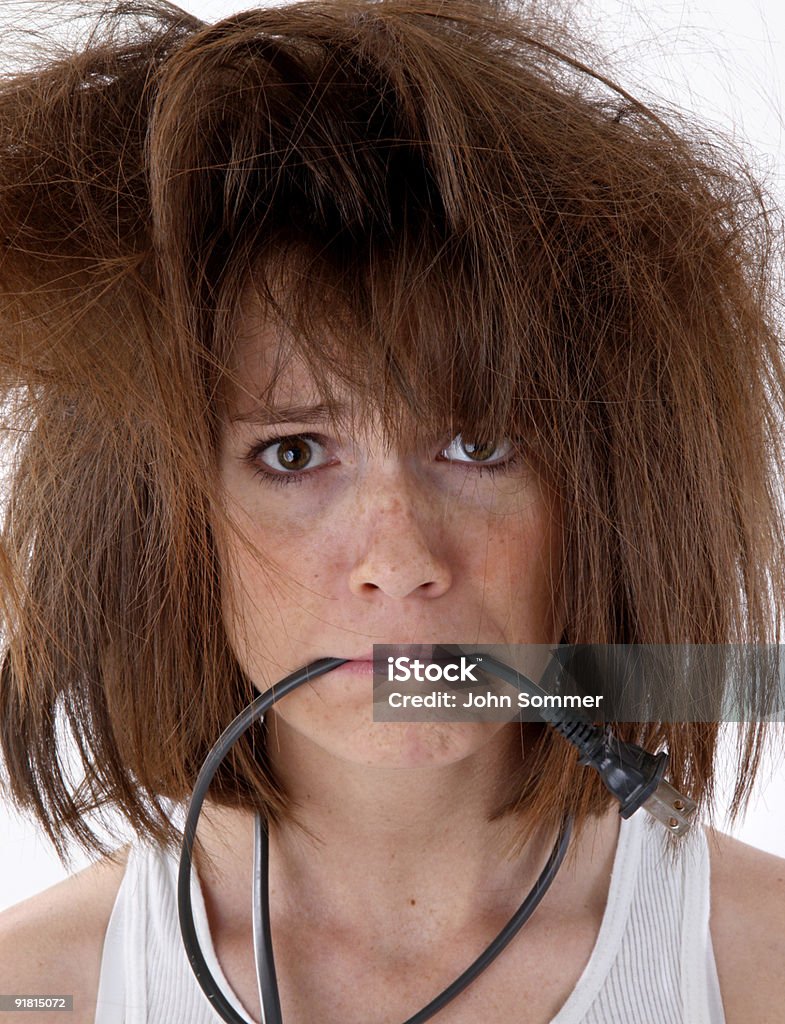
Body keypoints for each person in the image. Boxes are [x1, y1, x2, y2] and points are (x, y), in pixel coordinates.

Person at [1, 1, 784, 1021]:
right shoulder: (35, 988)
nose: (400, 557)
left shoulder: (759, 962)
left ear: (603, 500)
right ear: (163, 526)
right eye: (292, 454)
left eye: (477, 445)